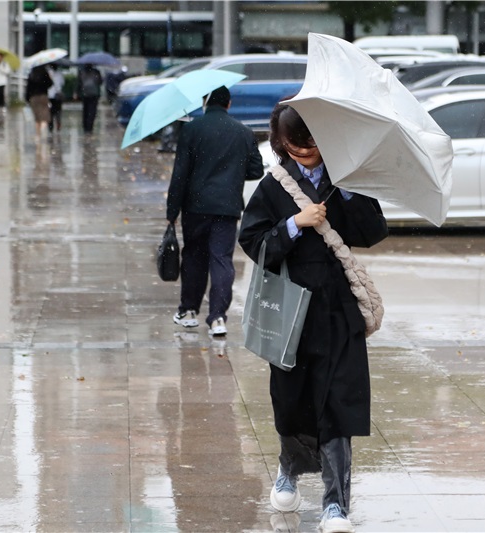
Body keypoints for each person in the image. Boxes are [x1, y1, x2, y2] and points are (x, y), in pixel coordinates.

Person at [237, 102, 388, 533]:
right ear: (281, 142)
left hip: (338, 312)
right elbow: (255, 243)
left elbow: (372, 233)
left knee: (339, 404)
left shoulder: (345, 182)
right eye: (297, 148)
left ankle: (336, 503)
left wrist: (353, 193)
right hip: (292, 314)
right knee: (293, 402)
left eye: (314, 147)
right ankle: (289, 467)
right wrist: (294, 223)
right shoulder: (272, 186)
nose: (307, 155)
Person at [166, 86, 263, 337]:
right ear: (229, 104)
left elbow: (181, 173)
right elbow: (256, 171)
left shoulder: (191, 129)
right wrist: (232, 172)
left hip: (195, 207)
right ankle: (218, 317)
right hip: (227, 207)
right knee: (222, 259)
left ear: (204, 102)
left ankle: (188, 311)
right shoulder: (243, 132)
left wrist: (172, 210)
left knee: (194, 257)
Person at [25, 65, 52, 140]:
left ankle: (38, 135)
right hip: (43, 96)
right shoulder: (45, 73)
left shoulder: (31, 74)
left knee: (37, 118)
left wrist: (27, 99)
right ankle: (43, 127)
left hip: (33, 97)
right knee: (44, 115)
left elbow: (28, 88)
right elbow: (50, 84)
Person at [76, 63, 102, 133]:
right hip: (94, 93)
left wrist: (77, 92)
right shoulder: (96, 72)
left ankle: (85, 127)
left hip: (85, 94)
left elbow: (79, 83)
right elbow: (100, 82)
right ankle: (90, 127)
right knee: (92, 111)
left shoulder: (81, 72)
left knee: (85, 110)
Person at [47, 64, 65, 132]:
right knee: (58, 111)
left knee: (50, 111)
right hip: (57, 95)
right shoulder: (60, 73)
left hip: (50, 96)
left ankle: (50, 126)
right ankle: (58, 124)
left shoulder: (48, 73)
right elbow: (63, 83)